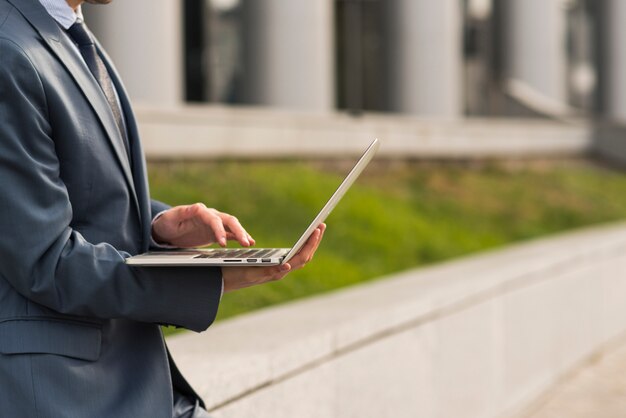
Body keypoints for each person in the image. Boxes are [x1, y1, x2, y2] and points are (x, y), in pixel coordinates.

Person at [0, 0, 326, 417]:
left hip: (126, 376)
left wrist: (158, 226)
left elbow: (75, 193)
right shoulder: (11, 51)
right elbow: (46, 259)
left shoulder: (67, 34)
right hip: (62, 391)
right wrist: (210, 280)